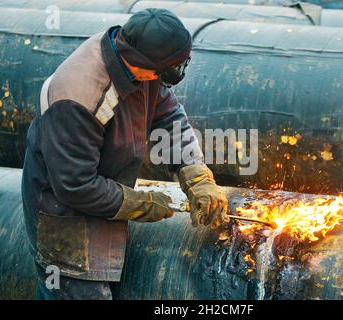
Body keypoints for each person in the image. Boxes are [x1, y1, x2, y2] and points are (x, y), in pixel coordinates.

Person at [21, 8, 228, 300]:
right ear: (140, 63)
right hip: (61, 207)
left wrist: (195, 173)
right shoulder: (78, 96)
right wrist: (140, 203)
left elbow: (168, 117)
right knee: (75, 289)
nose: (160, 80)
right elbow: (75, 186)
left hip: (101, 185)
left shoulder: (142, 63)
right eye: (159, 73)